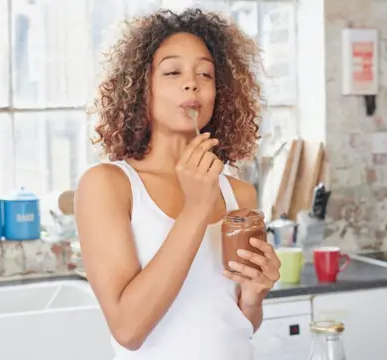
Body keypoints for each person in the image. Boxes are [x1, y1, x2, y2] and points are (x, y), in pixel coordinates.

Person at [74, 8, 281, 360]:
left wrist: (253, 296)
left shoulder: (238, 193)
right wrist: (197, 208)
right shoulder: (108, 186)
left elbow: (235, 324)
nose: (192, 83)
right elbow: (128, 330)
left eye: (205, 73)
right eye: (172, 72)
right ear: (141, 88)